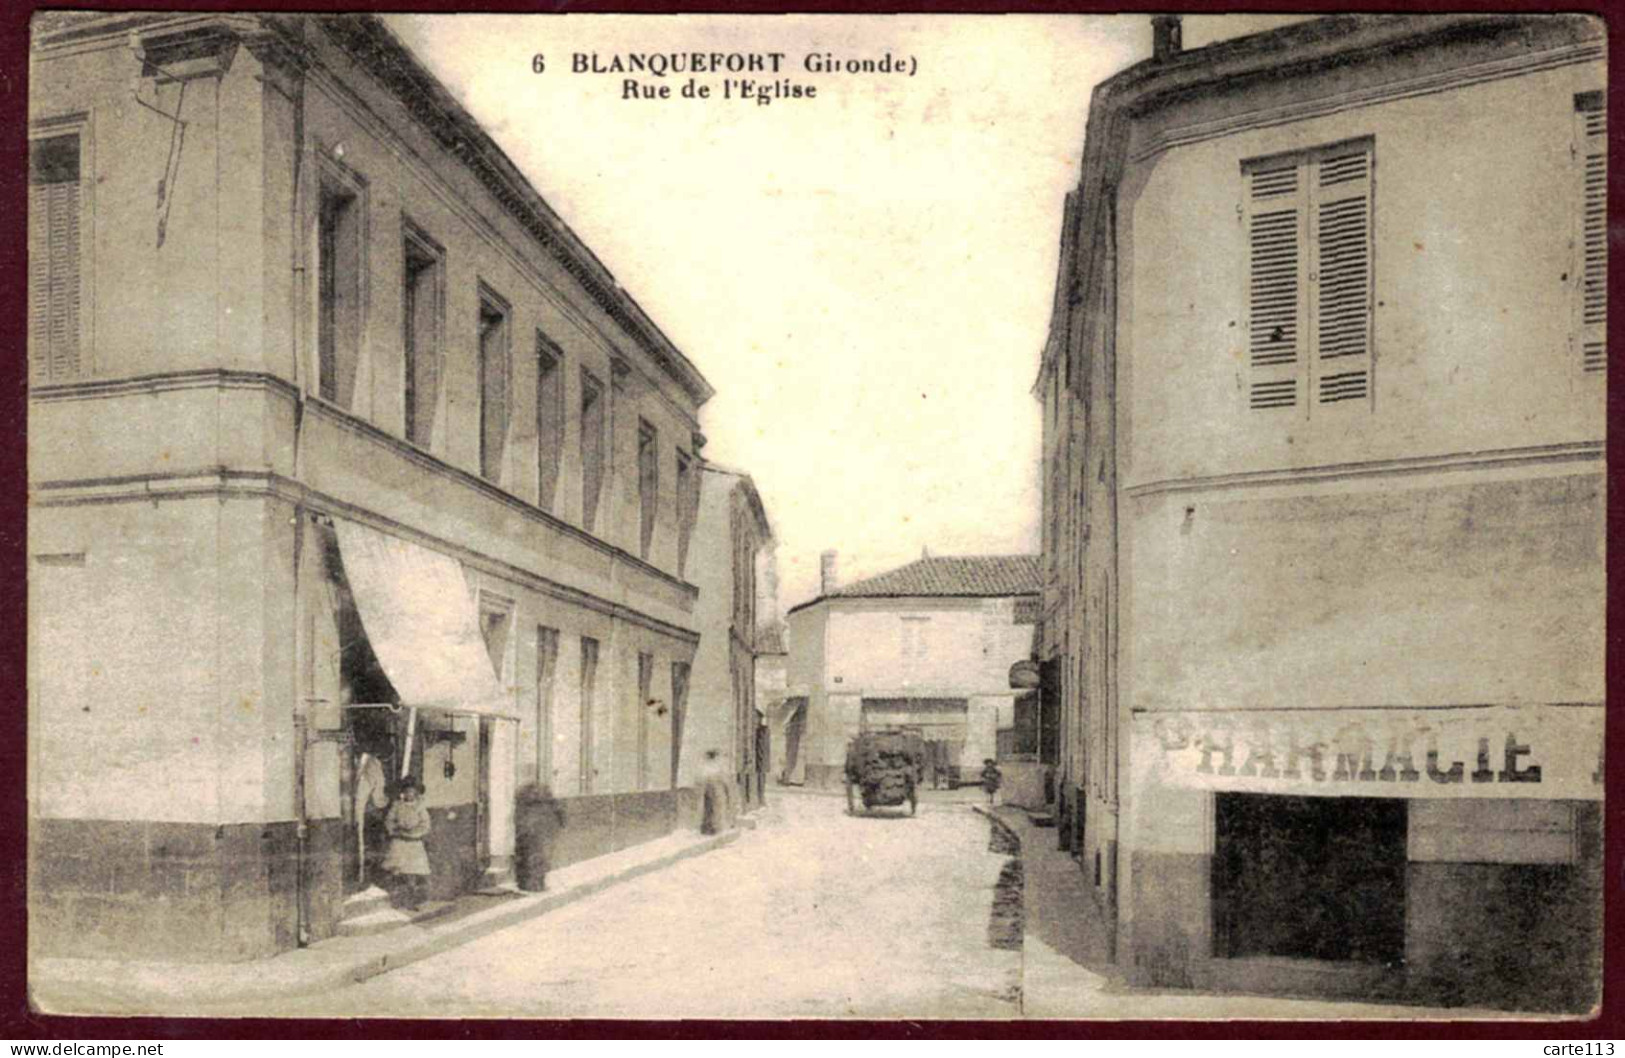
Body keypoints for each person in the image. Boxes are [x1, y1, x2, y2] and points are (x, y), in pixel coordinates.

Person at [383, 778, 432, 910]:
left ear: (416, 793)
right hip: (399, 842)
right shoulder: (397, 805)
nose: (409, 794)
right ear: (402, 792)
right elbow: (389, 820)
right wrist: (396, 830)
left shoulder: (420, 807)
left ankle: (412, 902)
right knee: (396, 872)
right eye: (406, 792)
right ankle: (396, 901)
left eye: (412, 792)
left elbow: (425, 825)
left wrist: (414, 832)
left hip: (414, 843)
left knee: (412, 873)